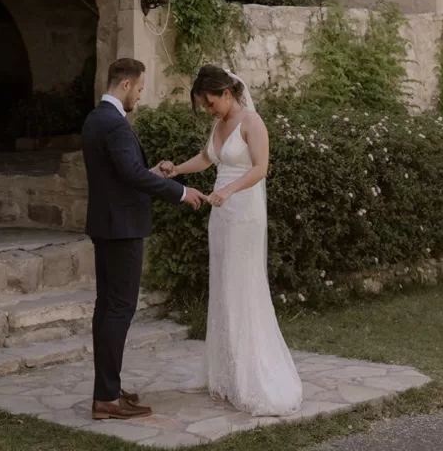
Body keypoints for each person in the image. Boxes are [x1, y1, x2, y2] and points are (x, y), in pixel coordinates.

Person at [158, 64, 302, 417]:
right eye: (205, 106)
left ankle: (250, 374)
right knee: (223, 285)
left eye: (210, 103)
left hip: (244, 210)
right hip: (221, 213)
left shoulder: (252, 122)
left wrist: (229, 190)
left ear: (226, 93)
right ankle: (225, 372)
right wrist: (176, 170)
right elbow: (208, 158)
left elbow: (260, 168)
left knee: (243, 286)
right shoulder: (218, 125)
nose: (209, 110)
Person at [82, 57, 206, 421]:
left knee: (106, 308)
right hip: (123, 228)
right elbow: (131, 178)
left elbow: (123, 174)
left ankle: (107, 387)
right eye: (138, 88)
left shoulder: (94, 119)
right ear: (125, 85)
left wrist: (149, 172)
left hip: (105, 225)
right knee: (119, 308)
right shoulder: (116, 125)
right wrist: (180, 191)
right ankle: (106, 397)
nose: (139, 95)